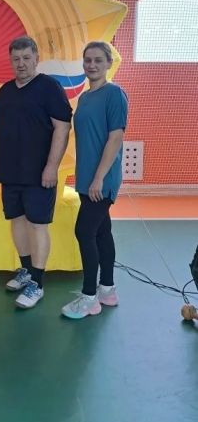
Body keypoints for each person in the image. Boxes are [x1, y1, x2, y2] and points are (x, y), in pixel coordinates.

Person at [0, 36, 72, 309]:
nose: (21, 63)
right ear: (10, 61)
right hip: (10, 171)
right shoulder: (5, 91)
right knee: (17, 220)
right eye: (16, 59)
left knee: (38, 224)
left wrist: (51, 167)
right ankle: (26, 270)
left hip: (39, 173)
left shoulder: (50, 88)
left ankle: (38, 282)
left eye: (26, 58)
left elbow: (62, 128)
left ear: (36, 58)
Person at [61, 41, 128, 319]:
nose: (92, 65)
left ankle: (89, 298)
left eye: (98, 60)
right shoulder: (85, 98)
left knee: (84, 231)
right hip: (87, 178)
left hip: (102, 180)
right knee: (101, 232)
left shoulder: (114, 94)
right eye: (88, 60)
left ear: (109, 63)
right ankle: (107, 290)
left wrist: (99, 178)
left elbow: (116, 137)